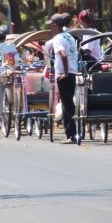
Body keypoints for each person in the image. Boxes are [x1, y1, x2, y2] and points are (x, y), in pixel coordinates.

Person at [48, 13, 79, 144]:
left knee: (68, 105)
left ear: (56, 26)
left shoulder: (58, 38)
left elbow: (63, 55)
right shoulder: (70, 37)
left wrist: (65, 73)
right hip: (72, 73)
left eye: (51, 25)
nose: (50, 27)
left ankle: (73, 135)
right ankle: (70, 134)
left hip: (64, 75)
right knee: (67, 105)